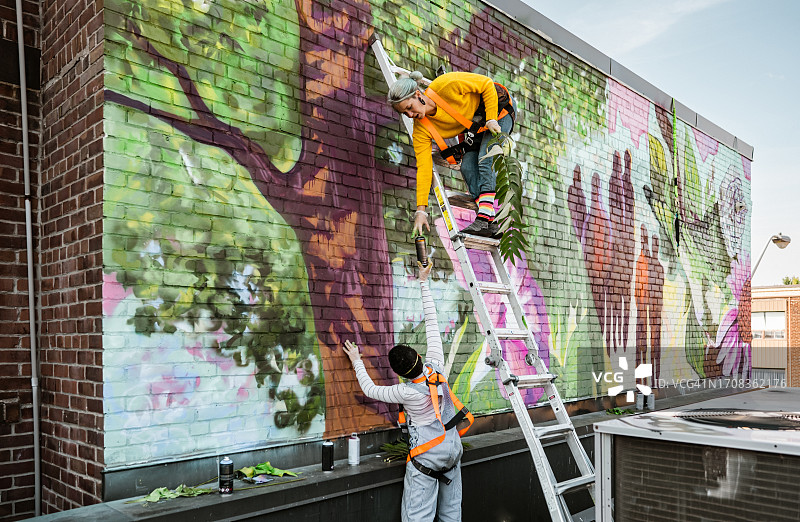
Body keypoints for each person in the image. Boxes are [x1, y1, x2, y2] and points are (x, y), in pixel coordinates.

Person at [343, 261, 471, 522]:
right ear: (419, 357)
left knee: (417, 518)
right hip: (453, 450)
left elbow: (369, 389)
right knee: (451, 515)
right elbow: (432, 320)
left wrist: (357, 359)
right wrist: (423, 281)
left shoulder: (406, 393)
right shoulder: (436, 364)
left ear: (401, 374)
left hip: (427, 460)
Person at [387, 71, 516, 238]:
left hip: (498, 110)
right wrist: (421, 211)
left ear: (418, 95)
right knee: (468, 167)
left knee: (486, 157)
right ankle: (490, 223)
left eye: (410, 108)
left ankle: (484, 218)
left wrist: (491, 118)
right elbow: (424, 169)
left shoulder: (446, 85)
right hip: (477, 124)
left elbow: (486, 84)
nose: (411, 115)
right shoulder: (421, 130)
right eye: (405, 113)